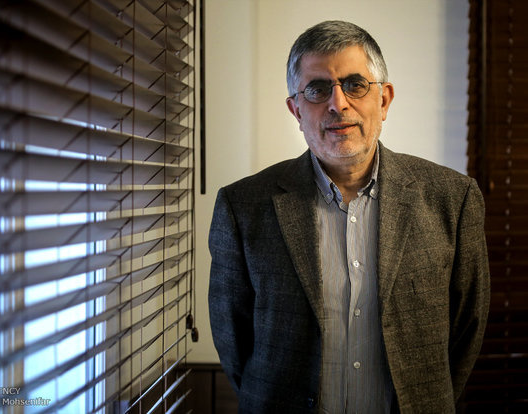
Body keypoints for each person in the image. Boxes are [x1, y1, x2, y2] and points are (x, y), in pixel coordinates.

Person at [208, 20, 490, 413]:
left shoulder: (452, 199)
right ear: (296, 109)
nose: (338, 104)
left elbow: (466, 330)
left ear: (384, 100)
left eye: (355, 85)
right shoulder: (243, 207)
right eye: (317, 89)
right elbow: (233, 340)